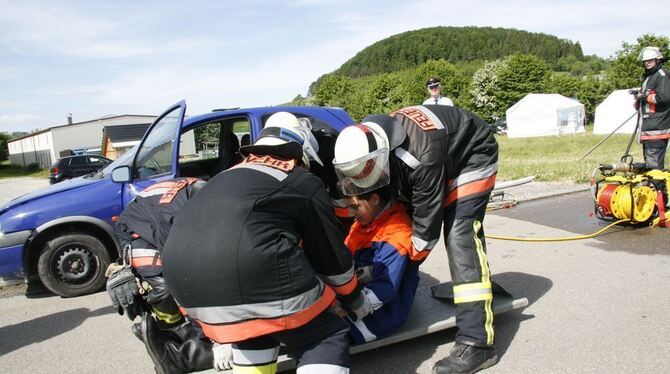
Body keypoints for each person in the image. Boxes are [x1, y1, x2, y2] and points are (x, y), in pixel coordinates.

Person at [161, 111, 372, 374]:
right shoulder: (300, 180)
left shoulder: (223, 177)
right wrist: (354, 298)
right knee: (322, 334)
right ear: (300, 154)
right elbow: (328, 256)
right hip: (253, 271)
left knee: (255, 330)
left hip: (185, 287)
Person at [333, 105, 499, 374]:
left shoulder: (421, 157)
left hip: (472, 153)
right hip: (434, 156)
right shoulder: (365, 141)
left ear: (379, 157)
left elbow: (425, 230)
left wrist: (397, 269)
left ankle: (477, 343)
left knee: (460, 234)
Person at [106, 177, 229, 374]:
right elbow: (180, 277)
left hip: (156, 214)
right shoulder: (171, 218)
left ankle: (190, 342)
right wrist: (215, 338)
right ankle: (170, 342)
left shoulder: (210, 195)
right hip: (136, 232)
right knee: (165, 287)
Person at [337, 183, 420, 345]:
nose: (351, 214)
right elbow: (345, 262)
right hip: (359, 298)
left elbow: (384, 288)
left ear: (374, 199)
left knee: (318, 334)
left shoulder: (397, 233)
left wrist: (344, 310)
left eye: (354, 207)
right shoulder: (364, 223)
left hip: (384, 314)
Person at [635, 46, 670, 170]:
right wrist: (638, 100)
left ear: (658, 60)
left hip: (657, 129)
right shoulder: (649, 76)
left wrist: (644, 97)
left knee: (654, 169)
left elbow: (665, 97)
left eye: (650, 60)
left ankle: (658, 189)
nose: (647, 63)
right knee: (650, 167)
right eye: (645, 61)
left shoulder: (661, 75)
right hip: (649, 128)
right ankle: (655, 188)